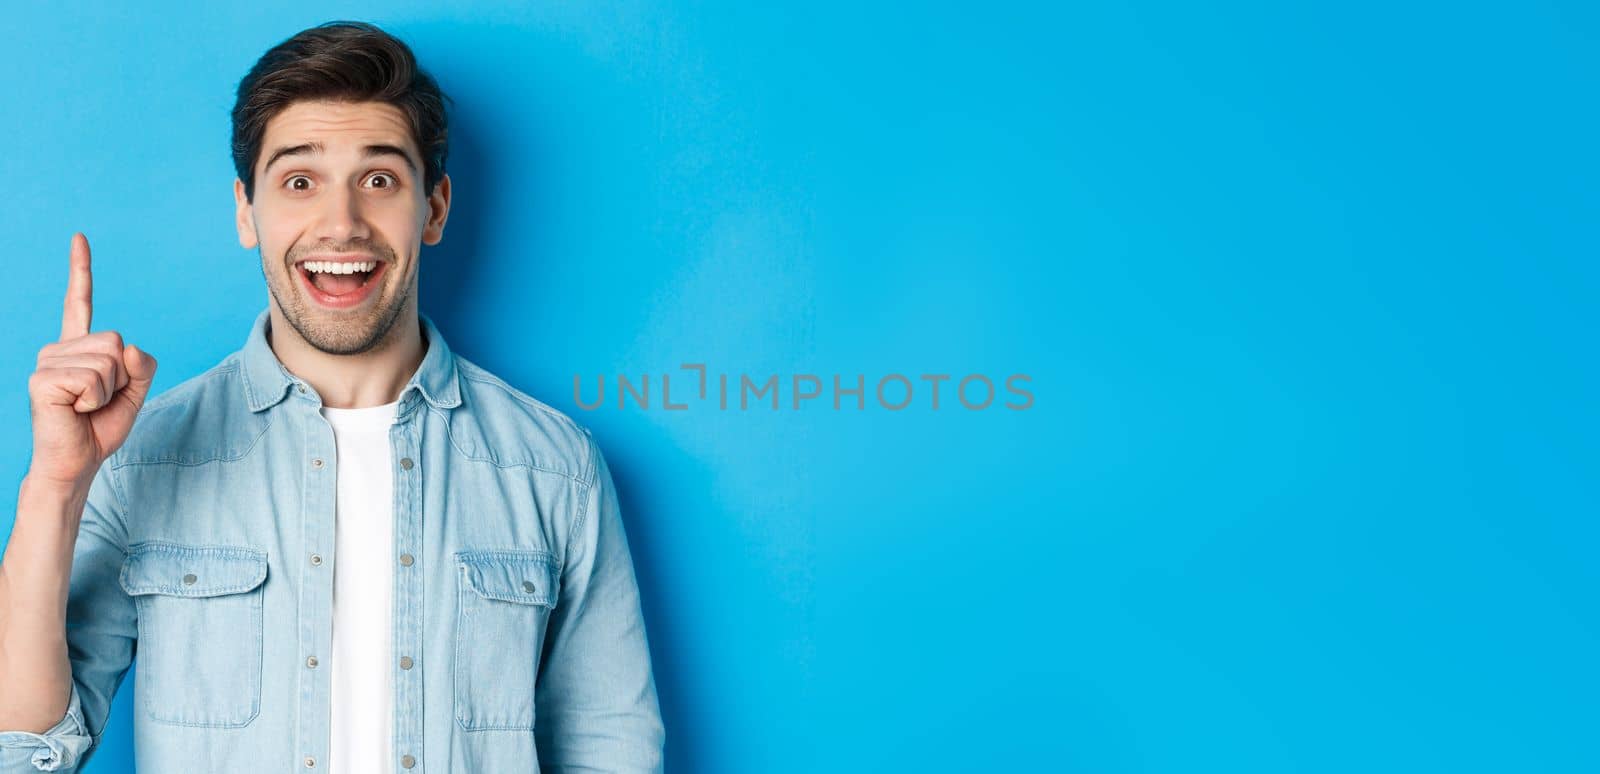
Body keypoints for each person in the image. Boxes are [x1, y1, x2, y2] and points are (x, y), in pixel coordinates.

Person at [0, 20, 664, 773]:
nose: (341, 223)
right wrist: (54, 488)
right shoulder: (143, 457)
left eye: (378, 180)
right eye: (299, 181)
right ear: (247, 211)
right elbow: (23, 754)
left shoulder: (555, 470)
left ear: (435, 208)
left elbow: (611, 749)